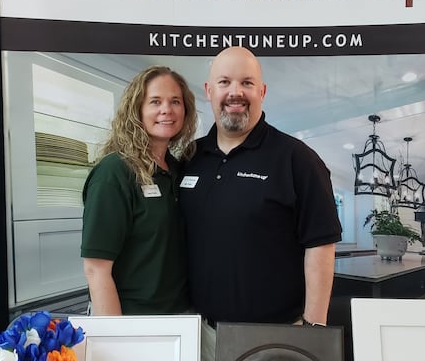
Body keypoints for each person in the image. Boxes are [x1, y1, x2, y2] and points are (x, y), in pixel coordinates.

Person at [178, 47, 342, 361]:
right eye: (225, 82)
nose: (235, 92)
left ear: (262, 91)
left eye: (247, 83)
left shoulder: (297, 159)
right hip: (201, 335)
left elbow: (320, 247)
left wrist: (314, 332)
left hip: (275, 339)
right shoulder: (189, 158)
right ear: (209, 92)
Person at [81, 65, 197, 315]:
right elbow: (96, 269)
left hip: (182, 317)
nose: (166, 109)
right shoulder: (115, 172)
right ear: (137, 110)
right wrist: (117, 337)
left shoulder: (179, 172)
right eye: (155, 101)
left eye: (175, 101)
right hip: (134, 318)